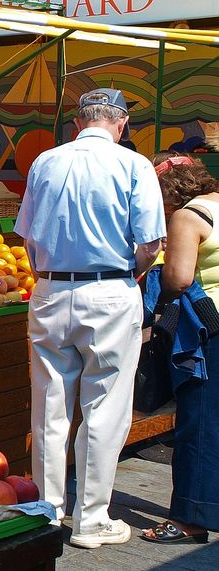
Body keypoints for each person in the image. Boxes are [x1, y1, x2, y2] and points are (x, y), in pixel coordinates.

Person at [16, 88, 165, 549]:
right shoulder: (134, 165)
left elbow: (25, 236)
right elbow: (150, 244)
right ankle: (92, 518)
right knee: (106, 407)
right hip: (109, 289)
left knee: (49, 409)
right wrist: (130, 274)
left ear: (79, 122)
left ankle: (47, 509)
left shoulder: (46, 161)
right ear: (120, 123)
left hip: (51, 288)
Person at [141, 152, 218, 545]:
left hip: (209, 330)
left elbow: (179, 278)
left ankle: (189, 518)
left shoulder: (188, 217)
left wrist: (158, 271)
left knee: (198, 425)